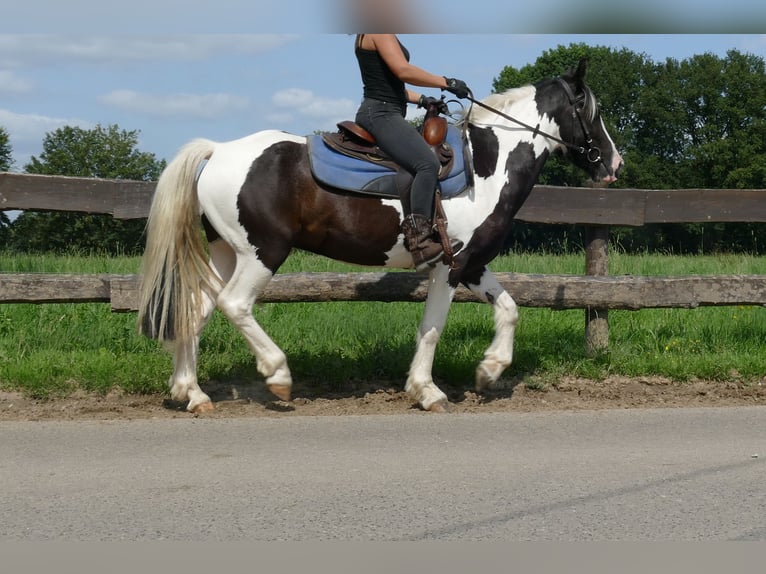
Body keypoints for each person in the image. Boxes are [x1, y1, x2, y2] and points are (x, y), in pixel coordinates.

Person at [353, 33, 471, 270]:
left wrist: (423, 99)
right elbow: (403, 71)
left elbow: (391, 87)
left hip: (384, 109)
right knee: (427, 164)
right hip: (381, 114)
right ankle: (420, 242)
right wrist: (446, 82)